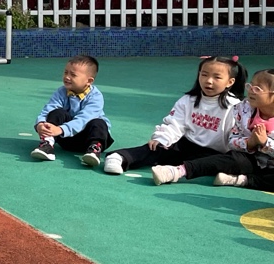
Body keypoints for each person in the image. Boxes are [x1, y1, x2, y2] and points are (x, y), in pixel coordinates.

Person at [103, 55, 245, 177]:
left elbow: (236, 136)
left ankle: (173, 172)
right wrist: (162, 138)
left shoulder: (235, 106)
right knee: (157, 147)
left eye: (217, 77)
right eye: (204, 74)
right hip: (186, 146)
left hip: (213, 153)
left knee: (220, 162)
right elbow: (175, 124)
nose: (208, 81)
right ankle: (120, 157)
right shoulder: (188, 100)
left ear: (230, 82)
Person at [152, 67, 274, 187]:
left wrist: (265, 143)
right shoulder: (242, 109)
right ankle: (178, 171)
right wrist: (249, 143)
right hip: (250, 160)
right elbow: (232, 141)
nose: (251, 91)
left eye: (257, 89)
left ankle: (240, 180)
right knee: (234, 159)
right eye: (250, 86)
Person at [31, 54, 113, 166]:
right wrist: (40, 124)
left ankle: (94, 150)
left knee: (99, 122)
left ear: (89, 81)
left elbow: (83, 119)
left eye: (73, 75)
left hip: (88, 138)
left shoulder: (96, 97)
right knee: (56, 112)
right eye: (66, 72)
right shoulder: (61, 92)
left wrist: (61, 129)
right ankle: (47, 144)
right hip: (66, 138)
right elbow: (48, 109)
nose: (67, 77)